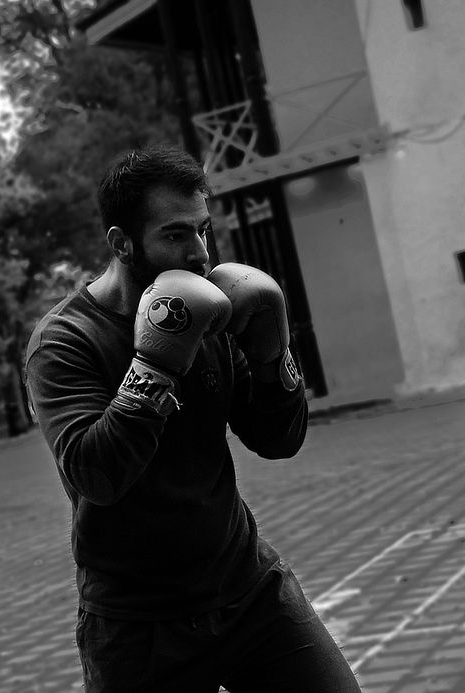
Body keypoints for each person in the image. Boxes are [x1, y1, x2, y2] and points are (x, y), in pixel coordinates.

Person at [24, 145, 360, 693]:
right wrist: (155, 363)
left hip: (248, 589)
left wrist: (274, 356)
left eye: (204, 230)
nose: (200, 254)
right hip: (140, 627)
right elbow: (95, 476)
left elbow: (279, 439)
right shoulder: (65, 342)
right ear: (122, 243)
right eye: (176, 235)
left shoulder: (213, 312)